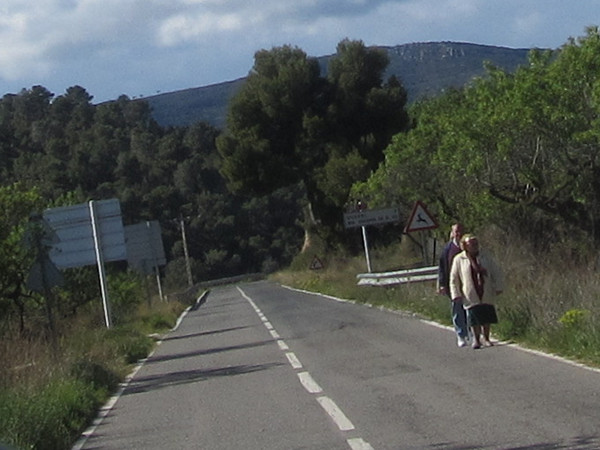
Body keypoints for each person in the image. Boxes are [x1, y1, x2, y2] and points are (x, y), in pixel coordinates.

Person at [450, 234, 504, 349]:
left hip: (485, 289)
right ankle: (476, 339)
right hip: (470, 292)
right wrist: (456, 294)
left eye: (476, 243)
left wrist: (499, 286)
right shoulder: (459, 259)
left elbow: (496, 272)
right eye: (471, 244)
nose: (475, 246)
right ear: (465, 246)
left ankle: (486, 338)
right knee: (474, 317)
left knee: (486, 314)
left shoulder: (485, 256)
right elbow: (454, 279)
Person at [437, 223, 469, 347]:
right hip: (453, 285)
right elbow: (442, 268)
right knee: (457, 309)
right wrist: (442, 285)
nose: (459, 233)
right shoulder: (447, 250)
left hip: (468, 283)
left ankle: (471, 333)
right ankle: (461, 335)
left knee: (470, 309)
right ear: (452, 233)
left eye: (460, 230)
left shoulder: (469, 246)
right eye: (456, 231)